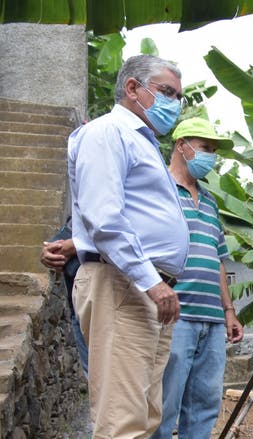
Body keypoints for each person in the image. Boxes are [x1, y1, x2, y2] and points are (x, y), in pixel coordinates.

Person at [68, 54, 190, 438]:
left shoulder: (143, 142)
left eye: (179, 97)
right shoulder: (108, 132)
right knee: (122, 420)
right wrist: (151, 281)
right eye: (167, 92)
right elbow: (104, 218)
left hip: (143, 287)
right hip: (124, 282)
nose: (175, 103)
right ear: (133, 88)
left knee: (145, 417)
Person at [151, 117, 243, 438]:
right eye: (205, 148)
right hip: (174, 315)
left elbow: (218, 259)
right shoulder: (158, 189)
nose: (211, 157)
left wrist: (228, 311)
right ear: (181, 145)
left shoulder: (210, 202)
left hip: (212, 320)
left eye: (214, 151)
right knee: (164, 404)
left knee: (205, 405)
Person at [41, 218, 89, 376]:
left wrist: (76, 245)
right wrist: (52, 252)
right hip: (81, 309)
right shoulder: (80, 215)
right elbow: (56, 246)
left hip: (118, 304)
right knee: (98, 382)